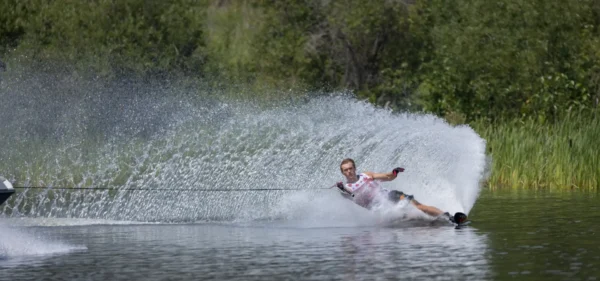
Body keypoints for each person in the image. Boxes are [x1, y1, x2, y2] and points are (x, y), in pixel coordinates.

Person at [335, 158, 449, 218]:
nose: (349, 171)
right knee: (402, 219)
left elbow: (388, 177)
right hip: (380, 209)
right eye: (346, 170)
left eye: (351, 168)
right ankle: (426, 222)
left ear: (355, 168)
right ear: (343, 173)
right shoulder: (345, 189)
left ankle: (449, 217)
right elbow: (354, 197)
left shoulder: (367, 175)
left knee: (419, 206)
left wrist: (395, 172)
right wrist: (343, 189)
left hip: (391, 196)